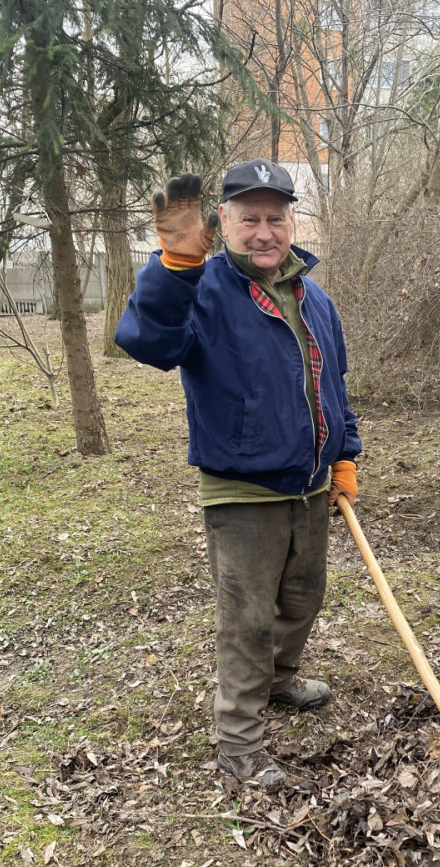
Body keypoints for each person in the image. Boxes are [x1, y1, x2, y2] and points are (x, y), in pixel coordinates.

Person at [115, 160, 361, 788]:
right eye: (247, 218)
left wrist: (344, 454)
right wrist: (172, 268)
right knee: (247, 617)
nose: (263, 232)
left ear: (291, 222)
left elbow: (331, 385)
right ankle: (239, 743)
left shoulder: (315, 296)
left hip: (310, 484)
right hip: (243, 489)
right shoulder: (202, 287)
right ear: (222, 221)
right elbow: (148, 342)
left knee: (302, 599)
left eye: (274, 218)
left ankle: (279, 680)